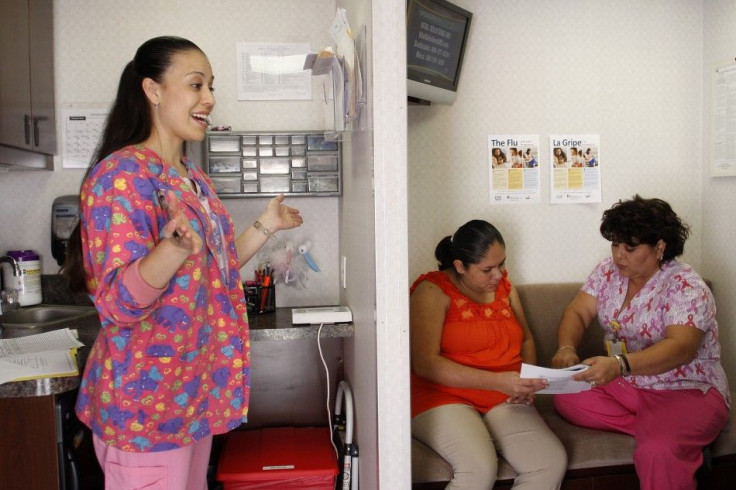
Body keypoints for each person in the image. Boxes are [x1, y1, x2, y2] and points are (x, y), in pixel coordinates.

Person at [63, 36, 303, 489]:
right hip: (146, 411)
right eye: (196, 85)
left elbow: (218, 268)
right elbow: (116, 304)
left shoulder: (192, 179)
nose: (209, 99)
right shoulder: (122, 176)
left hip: (192, 397)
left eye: (211, 86)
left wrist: (265, 225)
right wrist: (169, 251)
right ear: (152, 91)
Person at [551, 195, 729, 490]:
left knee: (656, 452)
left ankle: (671, 438)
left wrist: (620, 365)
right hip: (632, 386)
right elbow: (578, 311)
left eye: (630, 248)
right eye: (615, 245)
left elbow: (681, 348)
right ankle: (674, 434)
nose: (619, 255)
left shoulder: (685, 285)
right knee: (566, 395)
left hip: (684, 388)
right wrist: (566, 347)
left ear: (659, 247)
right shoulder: (607, 271)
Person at [410, 220, 567, 489]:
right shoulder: (432, 290)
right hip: (443, 396)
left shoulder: (505, 288)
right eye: (487, 269)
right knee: (478, 468)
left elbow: (527, 338)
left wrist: (526, 381)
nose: (499, 275)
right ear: (460, 266)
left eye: (502, 264)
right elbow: (425, 364)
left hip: (506, 395)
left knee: (548, 462)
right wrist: (499, 381)